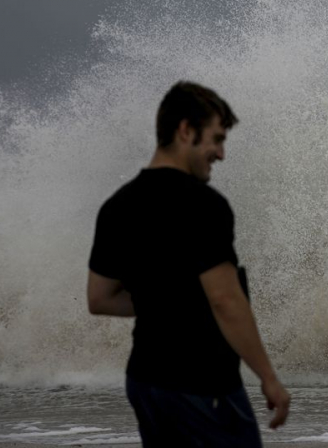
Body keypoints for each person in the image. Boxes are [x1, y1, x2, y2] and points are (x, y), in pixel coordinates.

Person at [87, 81, 290, 447]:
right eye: (216, 138)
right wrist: (268, 377)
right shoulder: (204, 205)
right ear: (185, 130)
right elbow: (226, 301)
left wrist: (163, 298)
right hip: (202, 384)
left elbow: (99, 299)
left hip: (145, 382)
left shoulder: (118, 205)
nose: (221, 153)